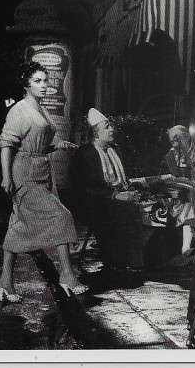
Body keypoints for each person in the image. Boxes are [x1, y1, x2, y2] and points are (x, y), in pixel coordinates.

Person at [0, 61, 87, 302]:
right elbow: (6, 145)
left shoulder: (41, 109)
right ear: (26, 84)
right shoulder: (19, 110)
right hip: (24, 174)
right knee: (62, 216)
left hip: (42, 171)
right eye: (38, 81)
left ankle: (5, 281)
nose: (44, 86)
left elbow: (37, 143)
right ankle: (66, 274)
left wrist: (58, 145)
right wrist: (6, 178)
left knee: (18, 225)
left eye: (45, 81)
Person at [71, 108, 145, 271]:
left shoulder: (115, 150)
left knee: (144, 208)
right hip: (94, 203)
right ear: (96, 133)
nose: (112, 130)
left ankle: (138, 258)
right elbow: (87, 186)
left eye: (111, 126)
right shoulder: (84, 153)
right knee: (127, 211)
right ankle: (123, 261)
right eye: (107, 127)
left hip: (116, 199)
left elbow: (123, 179)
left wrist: (130, 192)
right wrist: (115, 195)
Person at [163, 125, 195, 255]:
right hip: (177, 196)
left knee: (191, 206)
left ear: (187, 137)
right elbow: (170, 177)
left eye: (177, 139)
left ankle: (186, 248)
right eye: (172, 141)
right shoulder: (170, 155)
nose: (175, 144)